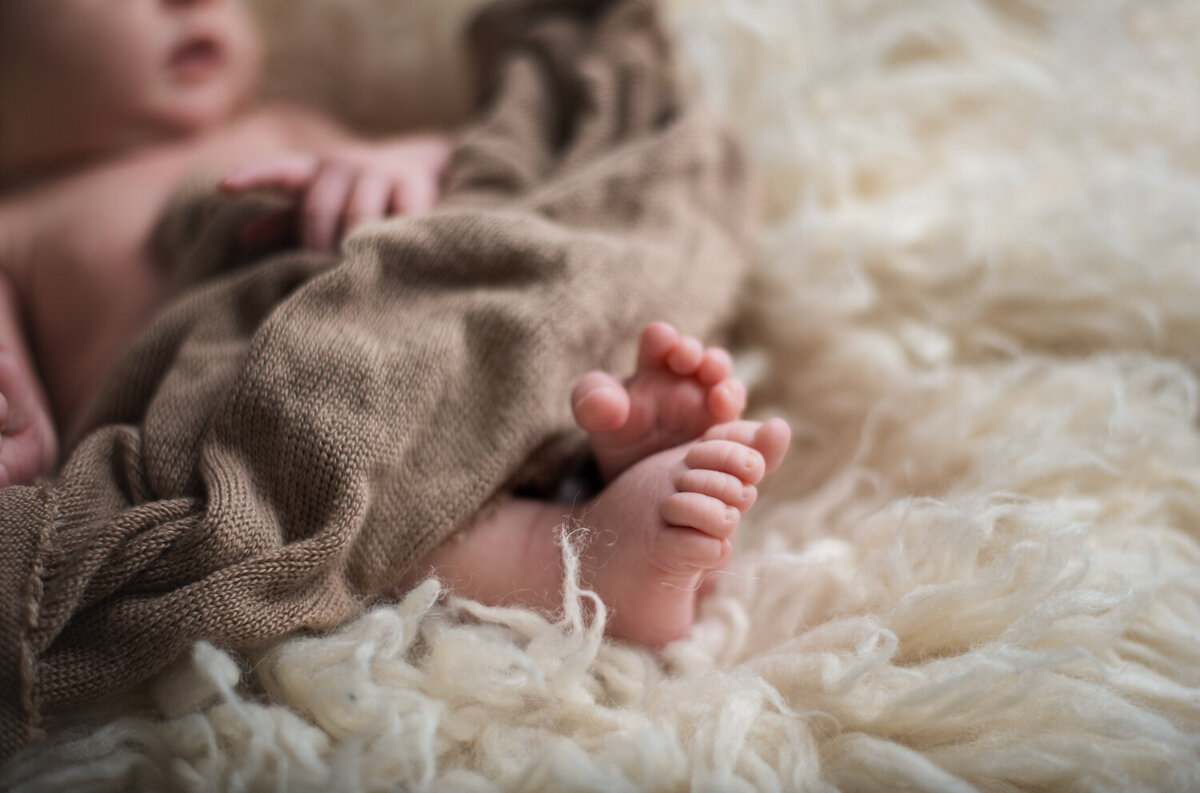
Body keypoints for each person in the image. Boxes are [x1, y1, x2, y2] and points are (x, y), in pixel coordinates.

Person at [0, 0, 790, 649]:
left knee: (500, 297)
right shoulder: (19, 219)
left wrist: (401, 167)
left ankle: (602, 440)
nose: (194, 5)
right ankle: (575, 554)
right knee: (310, 506)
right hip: (243, 429)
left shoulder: (286, 123)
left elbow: (465, 183)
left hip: (411, 343)